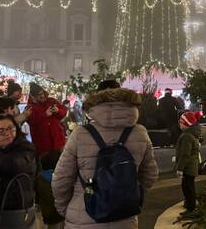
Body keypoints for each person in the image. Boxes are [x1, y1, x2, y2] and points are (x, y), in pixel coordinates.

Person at [52, 87, 159, 229]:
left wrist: (64, 208)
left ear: (95, 108)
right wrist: (127, 194)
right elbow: (150, 174)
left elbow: (61, 179)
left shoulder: (80, 134)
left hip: (84, 216)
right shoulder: (140, 133)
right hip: (125, 218)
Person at [0, 114, 37, 228]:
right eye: (1, 131)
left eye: (11, 128)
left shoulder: (25, 149)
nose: (7, 133)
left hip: (16, 213)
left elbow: (13, 166)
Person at [27, 82, 68, 156]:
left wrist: (58, 111)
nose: (42, 96)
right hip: (43, 148)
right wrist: (44, 115)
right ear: (33, 96)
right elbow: (31, 121)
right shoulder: (30, 108)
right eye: (39, 95)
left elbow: (64, 112)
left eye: (42, 93)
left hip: (59, 143)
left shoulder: (51, 101)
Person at [175, 111, 203, 214]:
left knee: (188, 187)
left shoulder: (187, 136)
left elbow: (185, 154)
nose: (179, 124)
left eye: (181, 122)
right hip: (191, 165)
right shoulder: (192, 134)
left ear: (186, 124)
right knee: (187, 185)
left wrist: (180, 168)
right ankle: (189, 204)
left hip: (188, 167)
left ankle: (191, 207)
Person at [35, 150, 65, 229]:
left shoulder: (39, 179)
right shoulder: (62, 178)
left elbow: (36, 198)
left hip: (48, 215)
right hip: (62, 213)